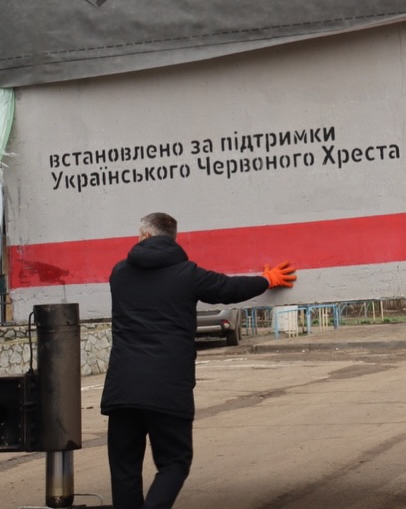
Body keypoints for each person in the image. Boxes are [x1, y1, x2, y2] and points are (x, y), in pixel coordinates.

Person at [101, 212, 297, 509]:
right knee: (174, 462)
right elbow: (229, 289)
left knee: (124, 468)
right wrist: (266, 279)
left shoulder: (119, 273)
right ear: (173, 239)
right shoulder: (187, 274)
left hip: (123, 389)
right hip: (168, 388)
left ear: (144, 236)